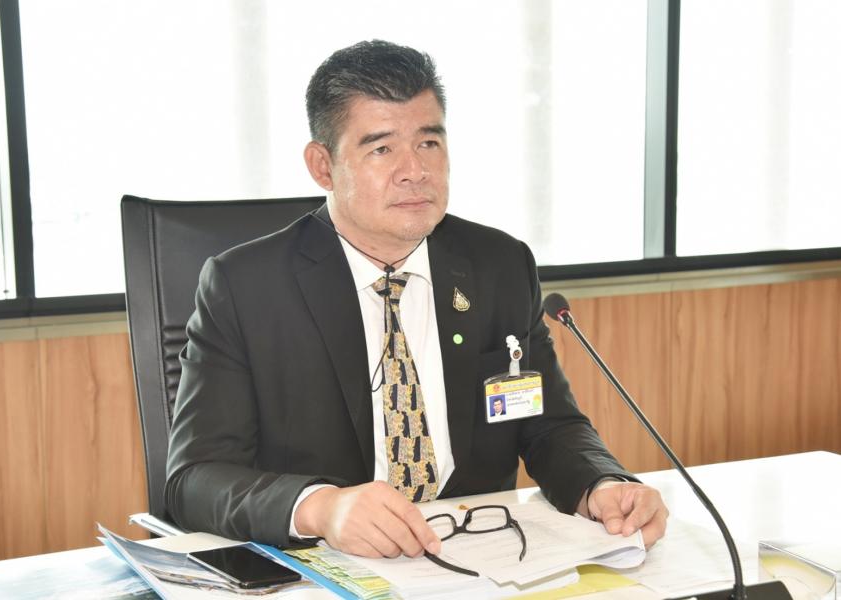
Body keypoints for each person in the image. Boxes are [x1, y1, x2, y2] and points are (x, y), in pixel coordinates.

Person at [166, 39, 668, 560]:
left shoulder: (499, 265)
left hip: (483, 555)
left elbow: (548, 426)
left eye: (429, 143)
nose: (415, 170)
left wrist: (602, 484)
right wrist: (320, 507)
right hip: (328, 564)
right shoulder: (245, 287)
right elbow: (193, 479)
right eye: (381, 149)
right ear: (322, 166)